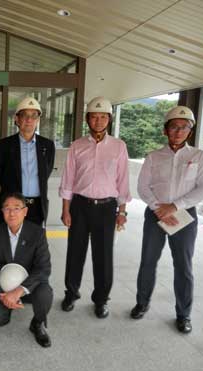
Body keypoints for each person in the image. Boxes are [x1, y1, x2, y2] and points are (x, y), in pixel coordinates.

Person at [131, 106, 203, 334]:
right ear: (165, 130)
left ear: (190, 131)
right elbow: (143, 187)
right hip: (155, 215)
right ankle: (142, 303)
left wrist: (174, 207)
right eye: (174, 127)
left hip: (185, 215)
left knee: (183, 266)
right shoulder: (154, 156)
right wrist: (159, 208)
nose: (178, 131)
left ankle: (183, 314)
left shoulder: (199, 156)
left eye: (183, 127)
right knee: (148, 261)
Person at [59, 96, 131, 318]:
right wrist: (65, 209)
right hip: (80, 205)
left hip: (106, 208)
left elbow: (123, 181)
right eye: (94, 116)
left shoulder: (119, 147)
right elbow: (68, 180)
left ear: (109, 119)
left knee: (104, 256)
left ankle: (101, 299)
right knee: (75, 253)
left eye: (103, 117)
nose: (98, 121)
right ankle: (71, 293)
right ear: (87, 119)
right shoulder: (77, 146)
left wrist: (122, 211)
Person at [0, 192, 52, 347]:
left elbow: (44, 268)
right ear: (2, 212)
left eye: (16, 208)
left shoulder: (37, 233)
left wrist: (19, 291)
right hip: (2, 289)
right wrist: (4, 296)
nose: (12, 213)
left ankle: (37, 323)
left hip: (27, 286)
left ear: (25, 211)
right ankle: (7, 306)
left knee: (45, 294)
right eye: (7, 209)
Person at [0, 97, 55, 226]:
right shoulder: (4, 145)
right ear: (17, 119)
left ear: (38, 120)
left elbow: (46, 172)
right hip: (12, 206)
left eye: (34, 116)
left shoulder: (47, 146)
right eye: (25, 115)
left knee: (35, 244)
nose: (29, 120)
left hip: (37, 207)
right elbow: (0, 173)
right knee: (10, 244)